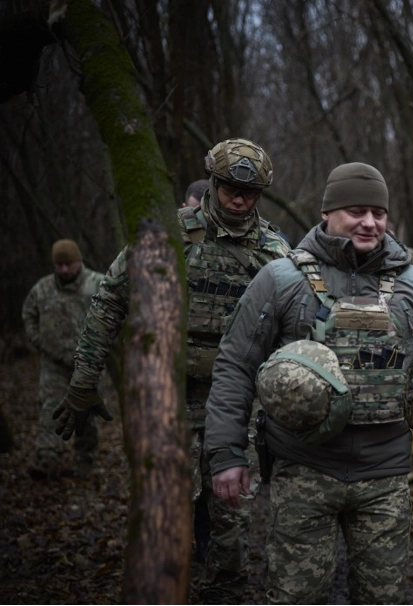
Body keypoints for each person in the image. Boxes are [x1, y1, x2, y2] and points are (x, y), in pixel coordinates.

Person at [204, 161, 413, 605]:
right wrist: (225, 453)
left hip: (385, 477)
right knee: (296, 597)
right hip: (302, 470)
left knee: (382, 598)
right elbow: (235, 365)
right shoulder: (281, 280)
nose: (370, 222)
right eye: (356, 210)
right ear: (327, 213)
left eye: (378, 212)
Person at [53, 138, 290, 605]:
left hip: (236, 400)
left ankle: (225, 591)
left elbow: (296, 328)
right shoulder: (170, 235)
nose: (238, 200)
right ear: (213, 182)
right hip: (170, 395)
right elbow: (109, 302)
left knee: (232, 514)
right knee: (169, 506)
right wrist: (84, 378)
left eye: (249, 193)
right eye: (228, 189)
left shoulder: (275, 253)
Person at [22, 239, 105, 479]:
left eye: (69, 264)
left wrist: (103, 346)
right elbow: (28, 314)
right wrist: (39, 341)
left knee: (87, 414)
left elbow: (116, 313)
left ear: (79, 261)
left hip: (89, 363)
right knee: (51, 409)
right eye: (59, 265)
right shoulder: (43, 289)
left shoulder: (97, 284)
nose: (64, 269)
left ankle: (84, 459)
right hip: (54, 363)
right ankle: (47, 457)